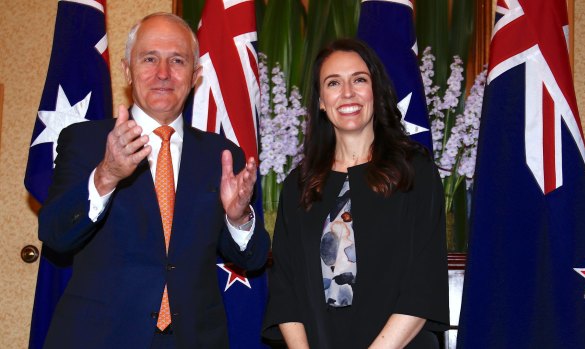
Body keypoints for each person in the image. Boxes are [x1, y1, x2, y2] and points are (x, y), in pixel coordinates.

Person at [38, 12, 270, 349]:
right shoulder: (86, 141)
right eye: (149, 59)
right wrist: (106, 176)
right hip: (99, 338)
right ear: (128, 70)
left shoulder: (222, 154)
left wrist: (238, 218)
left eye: (177, 60)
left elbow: (254, 259)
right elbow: (55, 234)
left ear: (195, 75)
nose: (163, 73)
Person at [262, 38, 449, 348]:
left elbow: (424, 284)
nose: (347, 93)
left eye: (359, 80)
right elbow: (285, 290)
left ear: (376, 90)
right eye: (333, 83)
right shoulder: (300, 183)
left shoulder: (415, 172)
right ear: (321, 101)